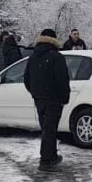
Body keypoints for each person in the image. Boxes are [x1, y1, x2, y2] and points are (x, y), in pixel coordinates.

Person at [23, 29, 71, 172]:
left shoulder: (32, 57)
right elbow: (62, 79)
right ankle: (46, 159)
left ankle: (51, 155)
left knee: (46, 127)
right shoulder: (56, 57)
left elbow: (26, 79)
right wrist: (64, 97)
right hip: (54, 98)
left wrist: (35, 92)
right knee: (50, 128)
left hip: (39, 98)